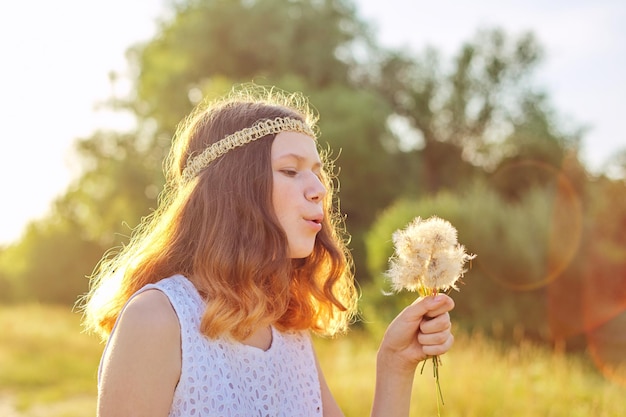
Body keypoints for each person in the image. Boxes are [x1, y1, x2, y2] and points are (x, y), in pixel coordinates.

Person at [80, 84, 455, 417]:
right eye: (291, 171)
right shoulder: (157, 319)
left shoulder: (288, 330)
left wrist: (395, 363)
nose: (319, 190)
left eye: (317, 173)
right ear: (233, 190)